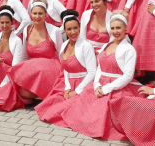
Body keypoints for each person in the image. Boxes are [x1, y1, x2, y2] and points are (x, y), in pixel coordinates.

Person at [61, 12, 144, 140]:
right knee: (81, 112)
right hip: (100, 84)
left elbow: (128, 76)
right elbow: (99, 67)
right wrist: (97, 85)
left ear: (125, 28)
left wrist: (106, 89)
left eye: (118, 28)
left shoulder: (129, 50)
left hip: (117, 87)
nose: (115, 31)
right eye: (112, 28)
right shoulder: (106, 45)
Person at [0, 0, 63, 111]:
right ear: (30, 14)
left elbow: (60, 53)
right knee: (22, 91)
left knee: (28, 89)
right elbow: (25, 55)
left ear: (46, 14)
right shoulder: (27, 29)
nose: (37, 16)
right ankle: (5, 94)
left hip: (49, 67)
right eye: (34, 13)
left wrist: (63, 76)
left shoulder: (55, 31)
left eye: (40, 13)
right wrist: (20, 72)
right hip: (32, 66)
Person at [35, 9, 96, 126]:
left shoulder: (86, 46)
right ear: (65, 30)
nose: (73, 32)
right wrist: (67, 88)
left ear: (79, 28)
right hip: (69, 83)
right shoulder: (64, 45)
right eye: (69, 29)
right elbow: (66, 69)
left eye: (75, 28)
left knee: (62, 111)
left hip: (85, 85)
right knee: (46, 107)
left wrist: (77, 91)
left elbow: (92, 73)